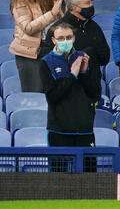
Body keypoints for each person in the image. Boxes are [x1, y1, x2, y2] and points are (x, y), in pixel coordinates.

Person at [42, 21, 101, 155]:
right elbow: (52, 97)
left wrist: (84, 73)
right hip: (58, 130)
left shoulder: (84, 58)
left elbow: (94, 93)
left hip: (84, 128)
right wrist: (73, 75)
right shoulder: (46, 62)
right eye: (61, 38)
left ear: (74, 38)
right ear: (53, 40)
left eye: (69, 37)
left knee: (89, 173)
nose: (65, 41)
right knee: (59, 173)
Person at [8, 0, 63, 92]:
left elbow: (61, 27)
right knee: (35, 93)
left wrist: (61, 15)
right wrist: (52, 13)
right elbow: (28, 28)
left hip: (50, 50)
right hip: (30, 54)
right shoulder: (20, 2)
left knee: (52, 91)